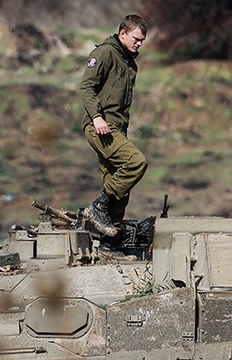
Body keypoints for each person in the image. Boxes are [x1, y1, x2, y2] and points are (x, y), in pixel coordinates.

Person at [79, 14, 149, 237]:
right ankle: (97, 207)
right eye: (136, 39)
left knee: (118, 184)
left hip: (116, 128)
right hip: (99, 126)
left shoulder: (129, 62)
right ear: (123, 33)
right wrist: (97, 117)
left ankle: (111, 239)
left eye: (142, 41)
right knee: (136, 162)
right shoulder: (105, 53)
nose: (139, 44)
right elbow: (86, 87)